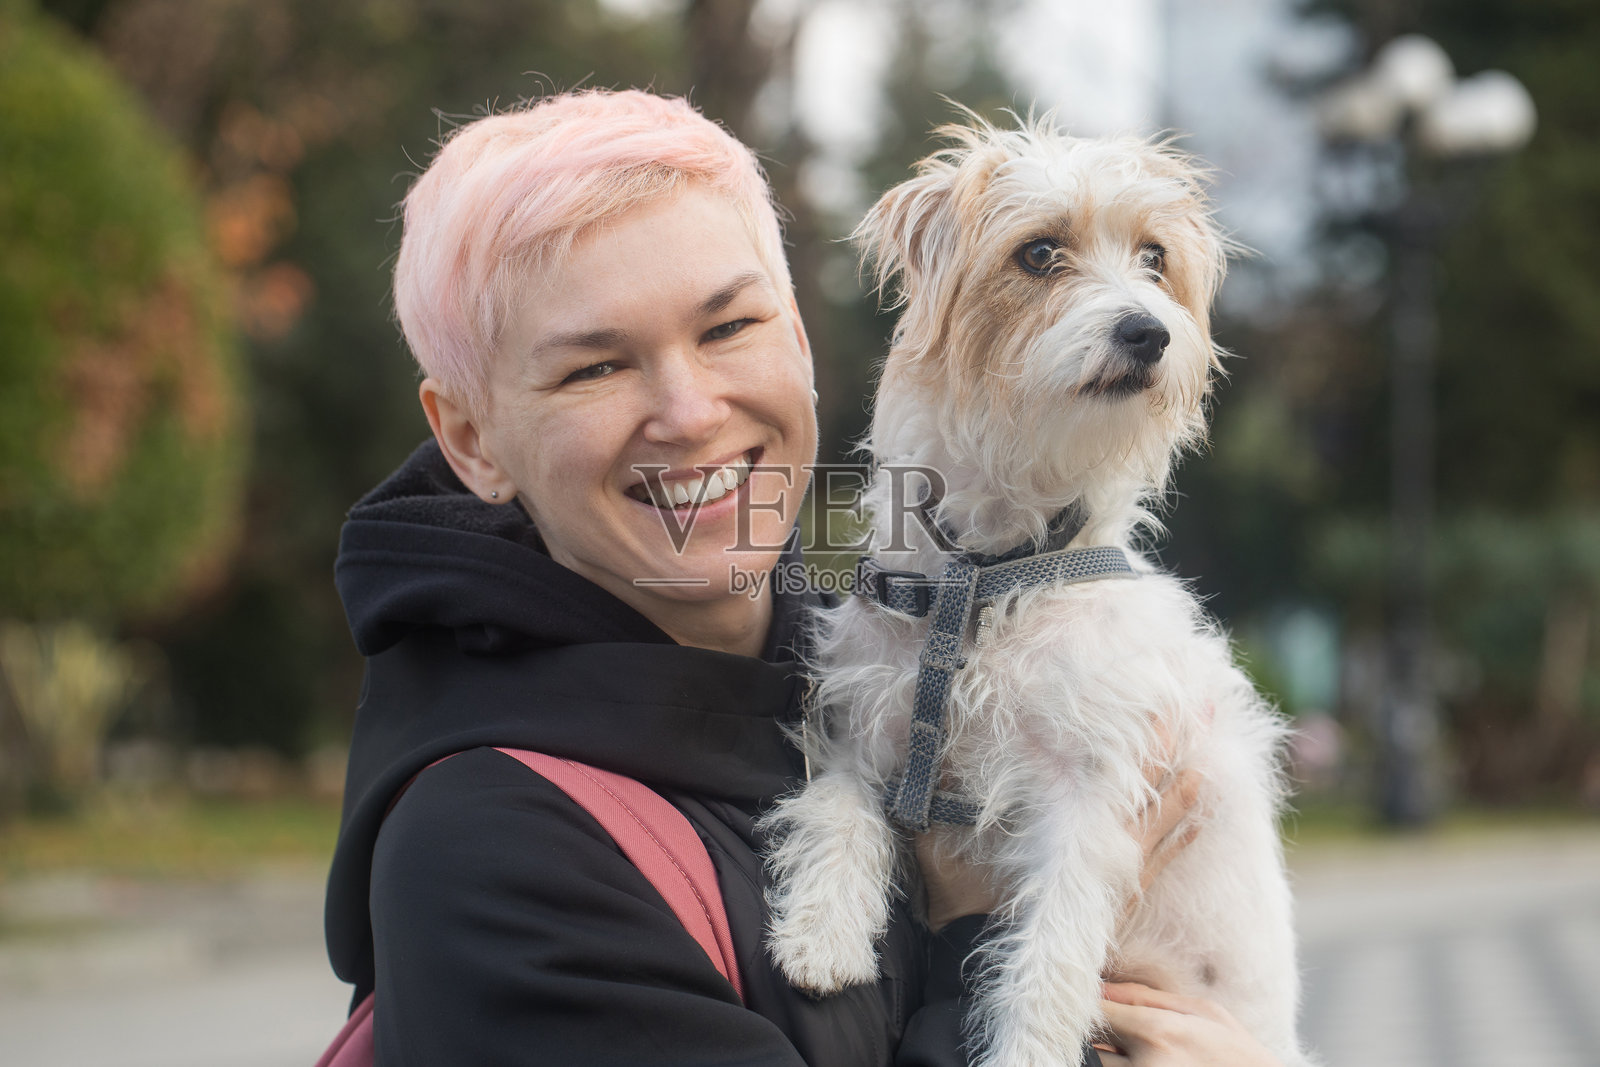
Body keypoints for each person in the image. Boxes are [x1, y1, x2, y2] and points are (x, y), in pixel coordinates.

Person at [322, 88, 1287, 1066]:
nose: (690, 412)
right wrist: (970, 930)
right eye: (593, 368)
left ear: (799, 336)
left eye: (728, 326)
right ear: (472, 440)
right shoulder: (491, 853)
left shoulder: (870, 647)